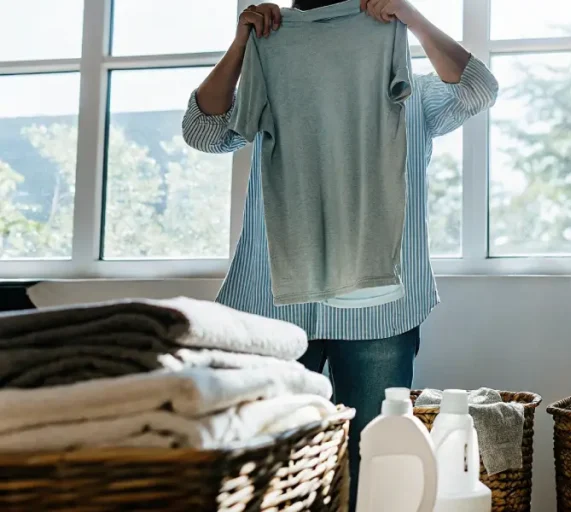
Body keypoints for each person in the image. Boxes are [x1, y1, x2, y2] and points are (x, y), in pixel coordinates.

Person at [180, 0, 498, 506]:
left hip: (378, 305)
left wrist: (409, 17)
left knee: (375, 463)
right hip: (274, 303)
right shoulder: (271, 51)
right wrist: (243, 45)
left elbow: (478, 88)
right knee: (269, 462)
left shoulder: (405, 75)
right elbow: (204, 132)